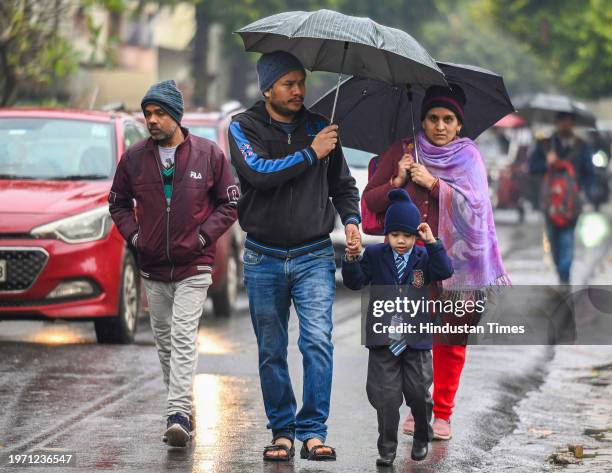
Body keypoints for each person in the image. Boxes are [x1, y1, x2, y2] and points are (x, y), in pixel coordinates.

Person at [228, 51, 361, 462]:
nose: (298, 90)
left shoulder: (322, 128)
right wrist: (310, 153)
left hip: (314, 255)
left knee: (318, 342)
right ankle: (282, 431)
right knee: (271, 348)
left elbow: (343, 185)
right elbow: (259, 174)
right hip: (262, 256)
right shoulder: (242, 127)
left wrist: (352, 221)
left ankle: (313, 431)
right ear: (266, 88)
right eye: (288, 83)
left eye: (301, 82)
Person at [363, 84, 510, 441]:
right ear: (423, 119)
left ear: (459, 125)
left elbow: (476, 210)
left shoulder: (470, 157)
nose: (440, 126)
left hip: (458, 265)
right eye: (432, 118)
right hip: (408, 265)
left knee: (451, 339)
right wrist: (397, 179)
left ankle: (442, 413)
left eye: (448, 119)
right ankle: (418, 406)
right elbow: (370, 204)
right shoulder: (402, 151)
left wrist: (434, 185)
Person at [109, 80, 238, 447]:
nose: (151, 120)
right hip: (153, 265)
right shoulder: (134, 157)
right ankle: (183, 404)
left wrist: (201, 238)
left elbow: (231, 202)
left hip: (194, 265)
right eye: (148, 113)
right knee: (164, 342)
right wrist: (136, 238)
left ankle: (177, 412)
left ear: (176, 116)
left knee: (182, 337)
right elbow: (117, 202)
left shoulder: (208, 154)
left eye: (159, 113)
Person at [342, 189, 454, 466]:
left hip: (416, 341)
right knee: (386, 398)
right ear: (387, 235)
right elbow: (355, 282)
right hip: (384, 339)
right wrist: (352, 258)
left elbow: (445, 271)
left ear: (416, 235)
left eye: (407, 236)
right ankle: (387, 448)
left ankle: (421, 434)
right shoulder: (375, 255)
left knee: (418, 392)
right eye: (395, 235)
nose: (401, 241)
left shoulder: (423, 257)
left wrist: (433, 243)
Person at [529, 111, 595, 283]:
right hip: (549, 202)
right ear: (556, 123)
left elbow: (589, 173)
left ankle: (564, 276)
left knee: (567, 238)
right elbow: (532, 168)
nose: (565, 124)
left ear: (573, 123)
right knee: (553, 240)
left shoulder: (582, 146)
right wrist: (546, 163)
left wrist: (583, 191)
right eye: (562, 121)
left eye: (568, 121)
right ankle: (561, 271)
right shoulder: (544, 145)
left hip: (572, 203)